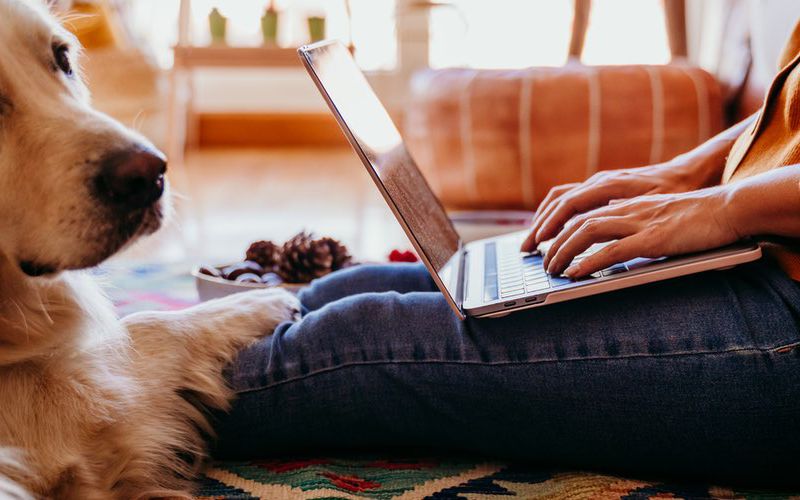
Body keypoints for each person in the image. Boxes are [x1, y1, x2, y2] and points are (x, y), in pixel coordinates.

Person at [211, 22, 800, 485]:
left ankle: (119, 407)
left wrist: (723, 207)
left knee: (357, 339)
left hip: (787, 315)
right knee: (343, 289)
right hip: (761, 250)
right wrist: (686, 173)